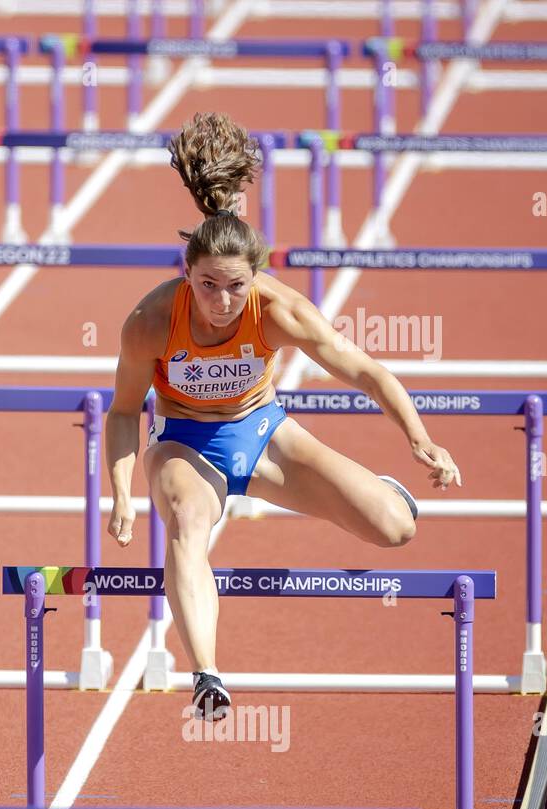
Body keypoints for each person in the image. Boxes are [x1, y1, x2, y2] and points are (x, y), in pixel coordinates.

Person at [105, 113, 461, 720]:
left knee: (395, 529)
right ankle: (207, 676)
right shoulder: (150, 320)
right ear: (186, 273)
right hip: (184, 444)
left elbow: (366, 369)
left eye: (235, 286)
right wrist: (121, 494)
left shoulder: (281, 311)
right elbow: (120, 413)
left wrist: (421, 438)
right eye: (207, 285)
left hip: (263, 431)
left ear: (257, 276)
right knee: (189, 523)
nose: (221, 302)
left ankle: (387, 494)